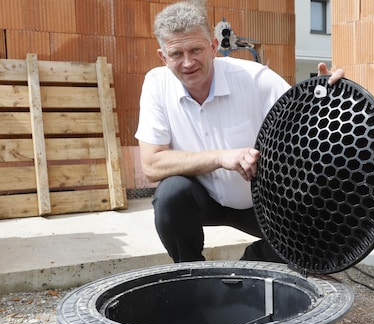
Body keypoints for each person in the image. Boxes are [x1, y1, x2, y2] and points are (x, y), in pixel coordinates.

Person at [135, 1, 344, 263]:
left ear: (213, 46)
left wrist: (329, 97)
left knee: (320, 239)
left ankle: (251, 264)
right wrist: (221, 157)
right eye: (176, 54)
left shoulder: (255, 79)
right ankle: (192, 275)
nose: (187, 63)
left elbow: (308, 123)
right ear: (163, 57)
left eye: (196, 50)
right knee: (170, 195)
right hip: (204, 199)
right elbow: (152, 164)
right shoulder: (156, 84)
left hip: (263, 204)